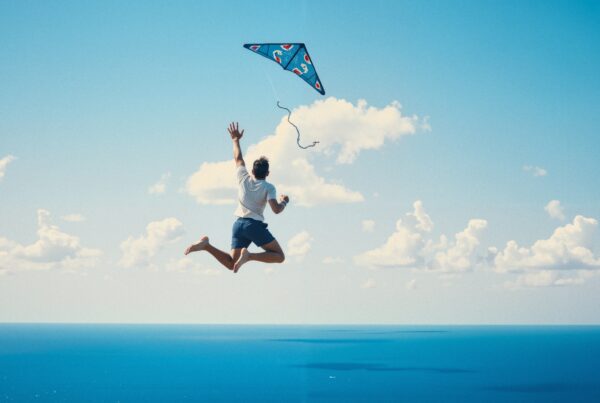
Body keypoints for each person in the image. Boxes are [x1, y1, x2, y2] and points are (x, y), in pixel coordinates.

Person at [184, 122, 289, 273]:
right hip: (253, 226)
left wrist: (235, 139)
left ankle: (206, 245)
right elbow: (276, 209)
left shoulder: (243, 177)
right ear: (267, 173)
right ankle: (249, 256)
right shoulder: (269, 187)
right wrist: (284, 201)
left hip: (238, 225)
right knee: (279, 256)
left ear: (252, 170)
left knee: (232, 264)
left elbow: (238, 157)